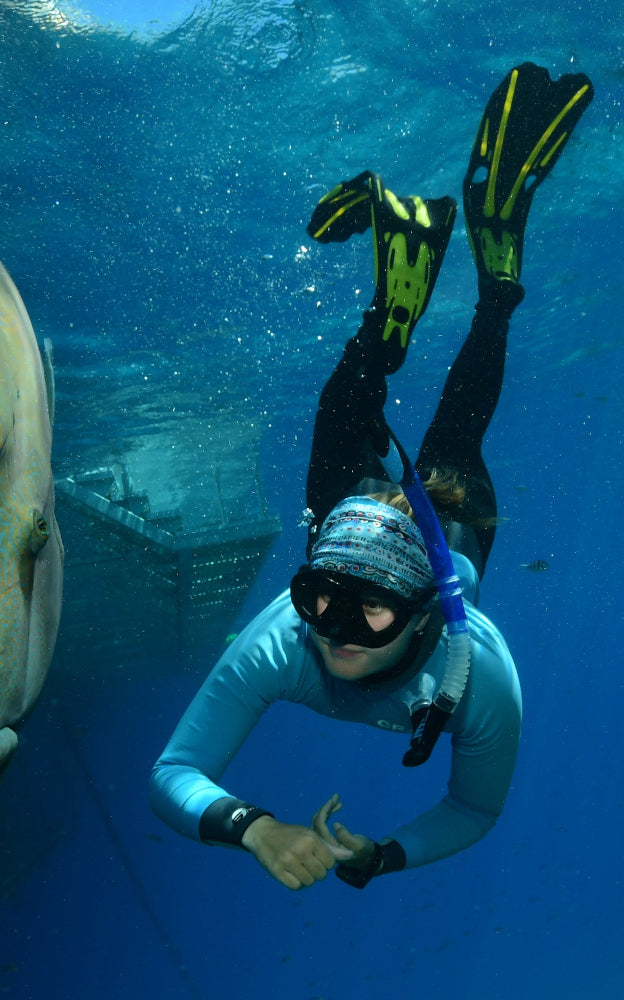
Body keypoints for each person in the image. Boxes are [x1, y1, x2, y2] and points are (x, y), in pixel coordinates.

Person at [149, 63, 593, 890]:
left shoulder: (476, 676)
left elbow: (474, 808)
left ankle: (397, 315)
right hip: (405, 530)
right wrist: (253, 829)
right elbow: (173, 771)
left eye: (371, 608)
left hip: (426, 541)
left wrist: (383, 856)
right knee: (452, 435)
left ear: (423, 614)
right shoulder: (293, 630)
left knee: (342, 470)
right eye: (321, 597)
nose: (336, 628)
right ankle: (493, 290)